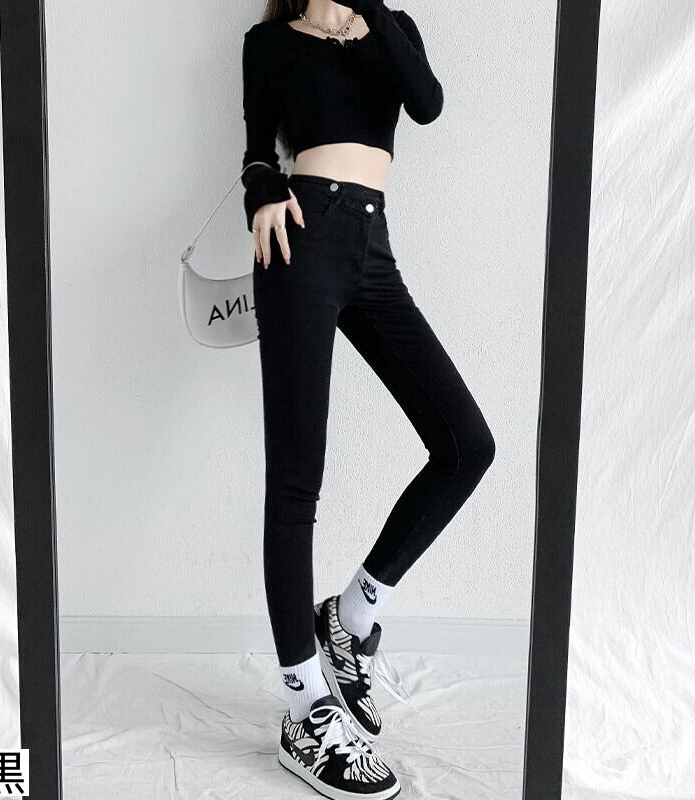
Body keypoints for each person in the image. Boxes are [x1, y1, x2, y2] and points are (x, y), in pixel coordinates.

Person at [241, 2, 496, 796]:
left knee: (466, 444)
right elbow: (257, 151)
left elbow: (427, 102)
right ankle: (304, 706)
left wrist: (371, 8)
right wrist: (261, 192)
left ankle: (349, 617)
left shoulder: (392, 27)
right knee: (297, 479)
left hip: (372, 247)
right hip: (300, 239)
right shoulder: (268, 41)